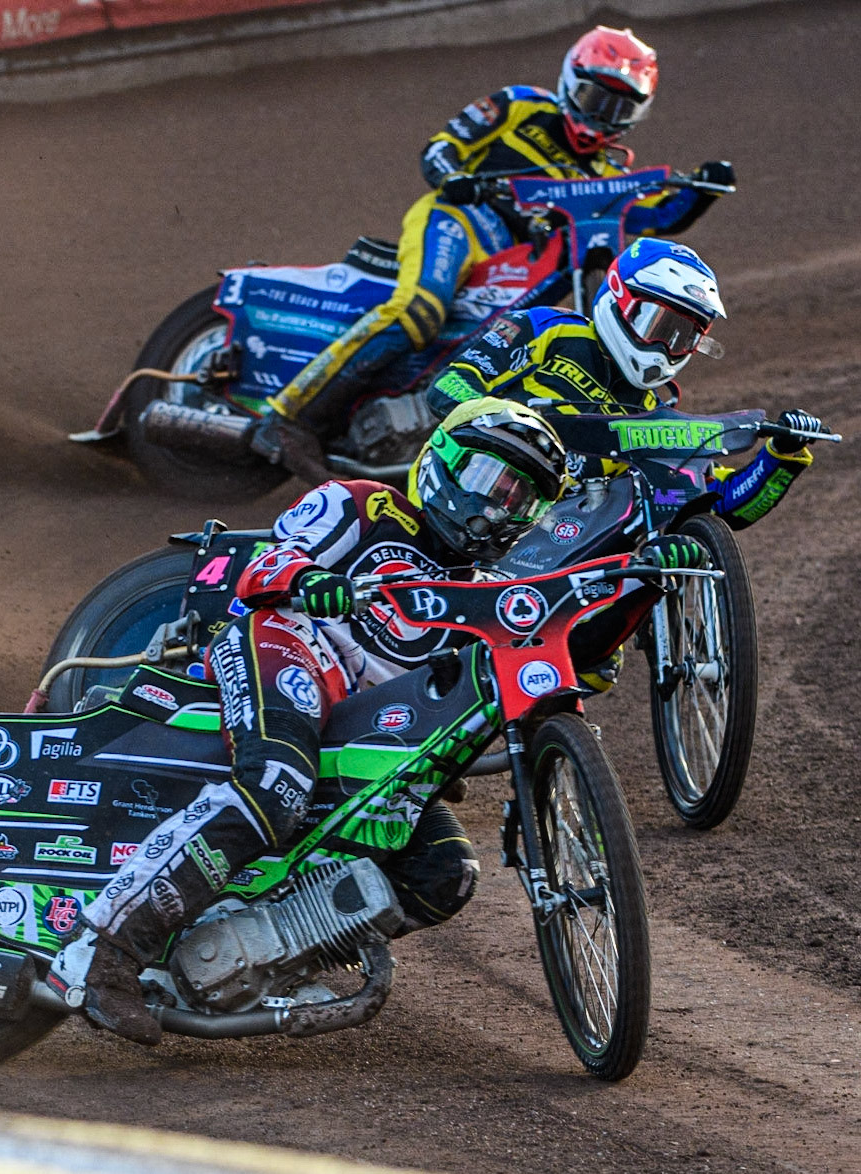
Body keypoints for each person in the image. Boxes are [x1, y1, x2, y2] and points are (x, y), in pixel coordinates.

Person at [49, 399, 703, 1044]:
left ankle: (254, 954)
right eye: (489, 480)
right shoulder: (364, 505)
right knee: (276, 782)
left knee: (444, 873)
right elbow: (265, 565)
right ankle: (100, 950)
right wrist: (310, 580)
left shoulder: (487, 591)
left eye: (520, 499)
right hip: (289, 644)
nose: (498, 507)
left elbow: (570, 651)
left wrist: (646, 585)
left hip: (366, 735)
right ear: (443, 463)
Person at [250, 26, 734, 484]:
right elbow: (440, 149)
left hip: (518, 264)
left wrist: (703, 190)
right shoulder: (521, 104)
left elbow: (653, 217)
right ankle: (288, 418)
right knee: (420, 310)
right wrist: (454, 179)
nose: (602, 116)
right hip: (460, 221)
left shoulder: (607, 173)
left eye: (619, 107)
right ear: (571, 81)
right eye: (595, 98)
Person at [423, 236, 822, 686]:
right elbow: (448, 387)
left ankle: (549, 710)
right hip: (472, 505)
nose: (666, 348)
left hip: (557, 548)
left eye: (684, 337)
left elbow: (716, 501)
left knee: (599, 667)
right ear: (618, 299)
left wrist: (782, 456)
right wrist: (510, 421)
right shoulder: (545, 328)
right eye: (658, 325)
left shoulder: (658, 418)